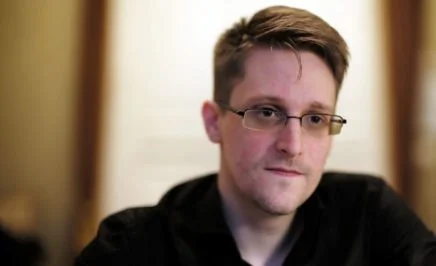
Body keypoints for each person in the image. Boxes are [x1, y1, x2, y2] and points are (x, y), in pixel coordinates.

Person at [75, 5, 436, 266]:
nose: (292, 146)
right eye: (266, 112)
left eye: (314, 118)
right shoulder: (132, 249)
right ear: (214, 122)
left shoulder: (370, 217)